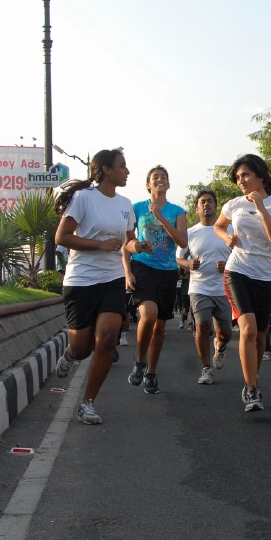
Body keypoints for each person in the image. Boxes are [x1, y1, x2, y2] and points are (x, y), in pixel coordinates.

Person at [52, 148, 136, 425]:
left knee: (108, 339)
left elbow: (129, 241)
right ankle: (70, 353)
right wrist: (99, 245)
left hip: (112, 279)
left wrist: (140, 246)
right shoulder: (83, 198)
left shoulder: (126, 204)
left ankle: (87, 403)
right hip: (81, 280)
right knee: (83, 348)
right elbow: (61, 237)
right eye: (122, 166)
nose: (127, 171)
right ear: (107, 170)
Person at [214, 154, 271, 412]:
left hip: (267, 276)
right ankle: (252, 388)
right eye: (237, 177)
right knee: (247, 329)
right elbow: (218, 226)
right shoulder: (233, 204)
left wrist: (260, 207)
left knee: (259, 336)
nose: (241, 181)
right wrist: (226, 237)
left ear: (260, 175)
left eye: (245, 175)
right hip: (238, 271)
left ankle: (252, 381)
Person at [124, 166, 189, 395]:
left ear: (168, 184)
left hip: (168, 272)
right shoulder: (137, 208)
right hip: (143, 267)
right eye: (155, 178)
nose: (160, 180)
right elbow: (127, 243)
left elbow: (182, 242)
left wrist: (160, 217)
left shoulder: (178, 211)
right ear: (148, 185)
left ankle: (151, 372)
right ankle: (140, 361)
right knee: (148, 315)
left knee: (160, 325)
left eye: (164, 177)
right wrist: (128, 271)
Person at [177, 189, 233, 385]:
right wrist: (188, 264)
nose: (206, 204)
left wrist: (228, 266)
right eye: (202, 202)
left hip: (224, 288)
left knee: (226, 332)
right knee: (202, 325)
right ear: (197, 208)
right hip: (199, 287)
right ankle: (206, 368)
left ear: (216, 206)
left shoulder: (229, 230)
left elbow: (242, 254)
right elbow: (179, 258)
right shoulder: (190, 233)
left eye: (210, 201)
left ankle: (220, 346)